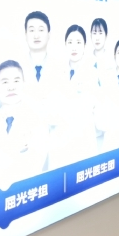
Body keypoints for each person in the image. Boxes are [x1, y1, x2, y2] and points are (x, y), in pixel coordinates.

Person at [0, 61, 48, 192]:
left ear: (24, 84)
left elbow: (34, 165)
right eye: (5, 82)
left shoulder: (36, 118)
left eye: (16, 81)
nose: (11, 87)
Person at [46, 25, 98, 169]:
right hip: (60, 142)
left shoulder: (91, 73)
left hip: (82, 140)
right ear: (65, 45)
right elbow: (50, 107)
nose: (74, 47)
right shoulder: (56, 72)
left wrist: (65, 106)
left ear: (85, 46)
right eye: (70, 42)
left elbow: (87, 107)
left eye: (78, 42)